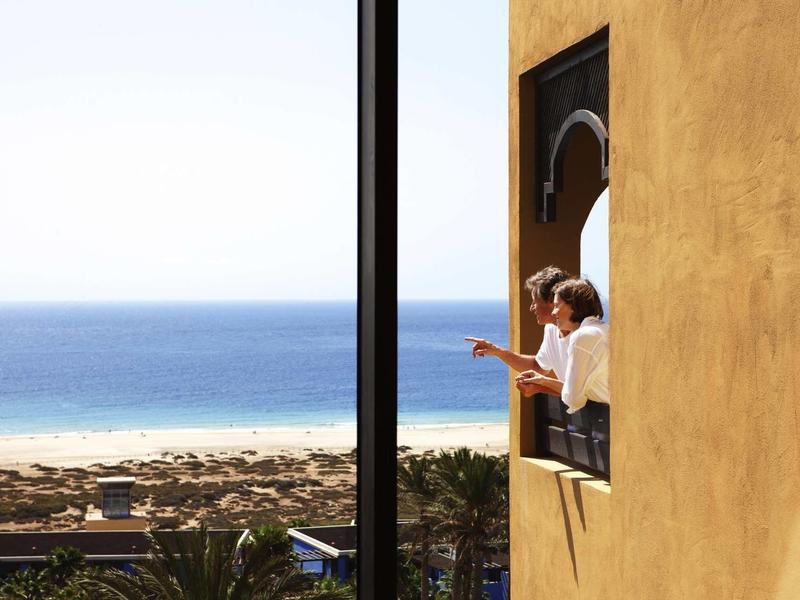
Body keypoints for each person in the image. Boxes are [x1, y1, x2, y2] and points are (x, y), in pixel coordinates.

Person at [465, 266, 571, 395]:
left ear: (551, 300)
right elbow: (538, 366)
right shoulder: (551, 329)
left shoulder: (582, 334)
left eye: (534, 301)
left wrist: (540, 387)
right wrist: (497, 351)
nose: (531, 308)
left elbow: (580, 394)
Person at [515, 278, 609, 414]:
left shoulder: (582, 337)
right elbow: (574, 392)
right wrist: (542, 381)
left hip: (607, 422)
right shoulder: (602, 329)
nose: (553, 312)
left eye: (557, 305)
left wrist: (544, 383)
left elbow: (573, 399)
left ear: (574, 305)